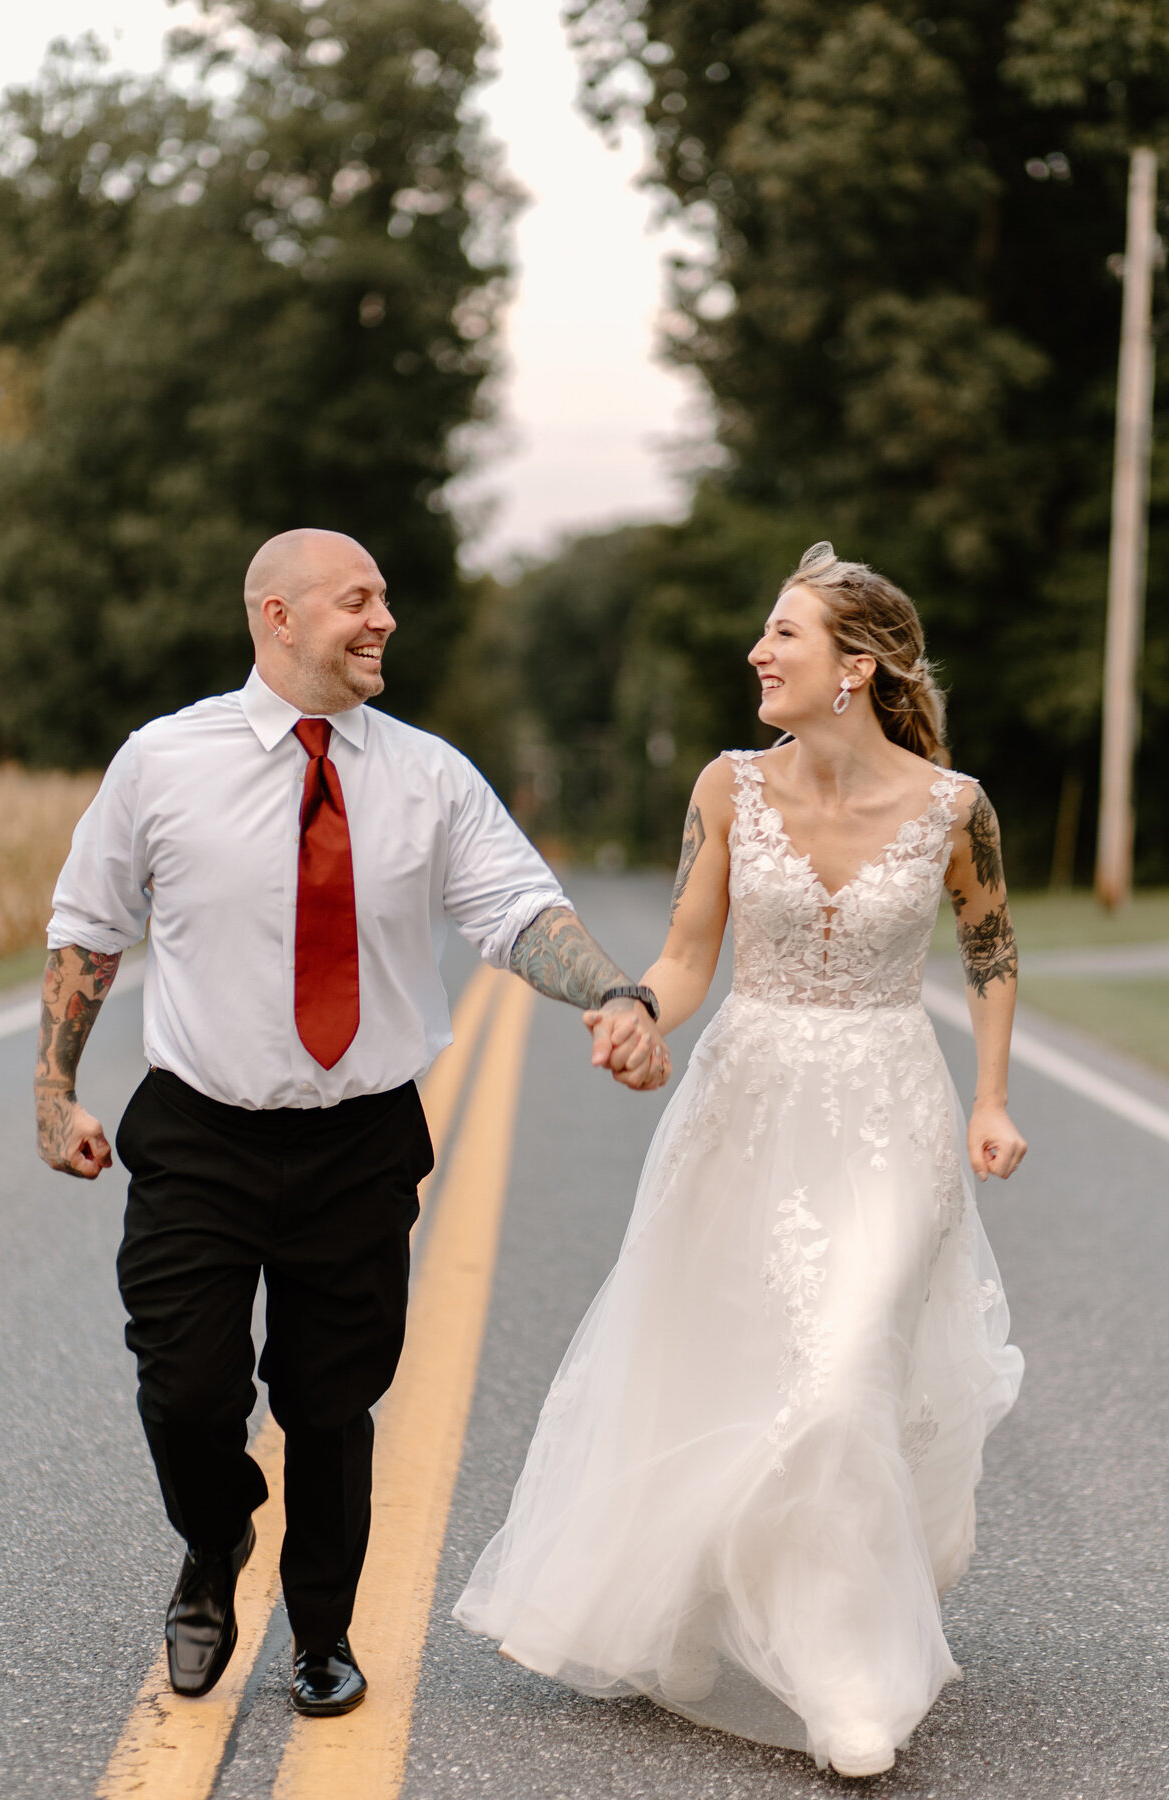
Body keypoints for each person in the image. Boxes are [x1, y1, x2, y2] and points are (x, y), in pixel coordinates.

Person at [35, 528, 669, 1719]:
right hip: (200, 1132)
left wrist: (616, 992)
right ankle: (215, 1541)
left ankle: (320, 1632)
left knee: (331, 1405)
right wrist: (54, 1090)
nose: (382, 621)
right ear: (277, 615)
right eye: (356, 601)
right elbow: (89, 926)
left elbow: (519, 911)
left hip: (359, 1135)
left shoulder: (428, 775)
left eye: (384, 600)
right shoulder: (162, 762)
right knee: (186, 1388)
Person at [454, 541, 1026, 1779]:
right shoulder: (726, 788)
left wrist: (989, 1098)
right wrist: (636, 1011)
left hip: (888, 1113)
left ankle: (847, 1681)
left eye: (783, 635)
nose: (756, 654)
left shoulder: (952, 807)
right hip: (745, 1104)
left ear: (855, 668)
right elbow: (685, 957)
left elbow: (990, 949)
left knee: (839, 1375)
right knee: (738, 1368)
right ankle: (723, 1602)